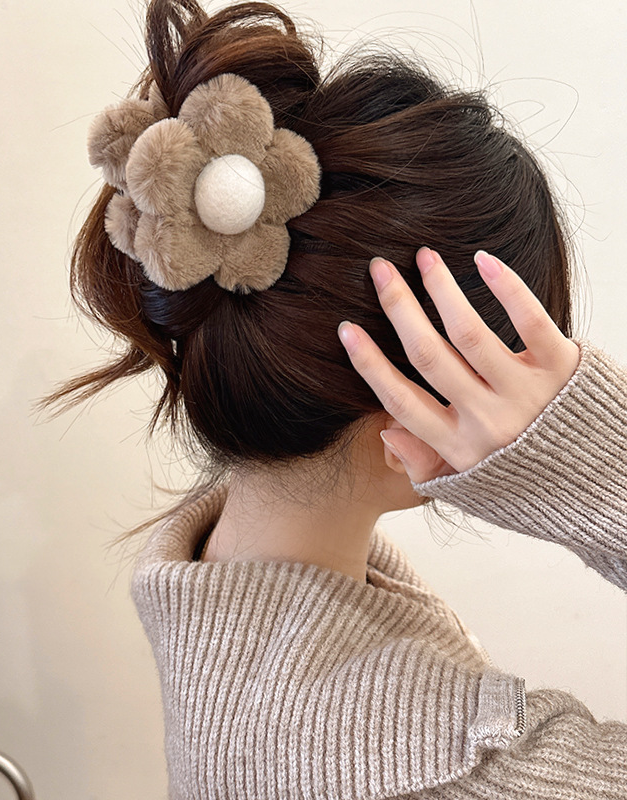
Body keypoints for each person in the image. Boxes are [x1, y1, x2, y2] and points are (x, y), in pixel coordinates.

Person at [50, 0, 627, 795]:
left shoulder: (215, 602)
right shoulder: (469, 771)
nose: (546, 404)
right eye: (526, 373)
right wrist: (597, 470)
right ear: (414, 409)